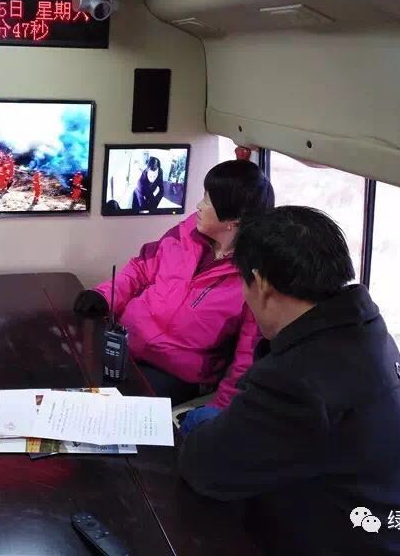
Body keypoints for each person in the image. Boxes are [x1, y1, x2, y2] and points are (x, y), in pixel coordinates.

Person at [178, 206, 400, 556]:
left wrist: (197, 427)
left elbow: (205, 469)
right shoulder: (364, 327)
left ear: (262, 284)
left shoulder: (298, 380)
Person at [74, 160, 274, 409]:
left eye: (208, 200)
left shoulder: (253, 280)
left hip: (173, 373)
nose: (199, 206)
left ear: (235, 217)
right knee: (65, 374)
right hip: (126, 342)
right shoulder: (185, 232)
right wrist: (104, 296)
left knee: (103, 409)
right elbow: (140, 268)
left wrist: (218, 411)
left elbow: (246, 358)